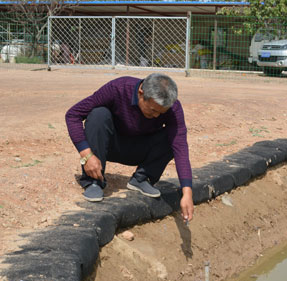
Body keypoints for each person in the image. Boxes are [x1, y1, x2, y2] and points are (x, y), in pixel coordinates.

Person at [65, 73, 194, 222]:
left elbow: (181, 148)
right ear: (141, 93)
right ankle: (93, 182)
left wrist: (187, 193)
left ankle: (142, 179)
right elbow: (73, 115)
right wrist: (86, 155)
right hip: (109, 146)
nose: (157, 115)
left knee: (175, 137)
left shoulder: (172, 108)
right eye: (153, 110)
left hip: (139, 149)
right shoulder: (118, 88)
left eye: (161, 113)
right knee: (98, 114)